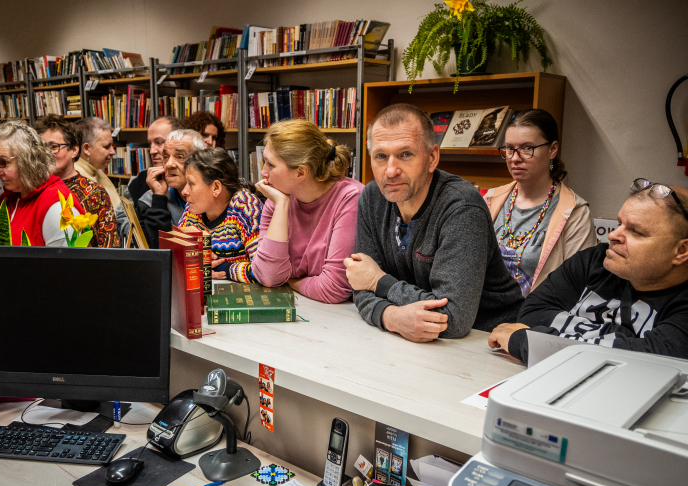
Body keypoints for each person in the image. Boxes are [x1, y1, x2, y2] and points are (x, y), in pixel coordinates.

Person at [345, 103, 524, 342]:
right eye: (381, 156)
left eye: (405, 154)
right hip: (414, 338)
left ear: (432, 158)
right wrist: (390, 317)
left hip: (488, 340)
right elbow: (360, 283)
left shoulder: (462, 206)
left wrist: (378, 281)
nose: (390, 171)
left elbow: (454, 318)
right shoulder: (372, 197)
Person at [488, 179, 688, 363]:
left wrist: (531, 342)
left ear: (681, 251)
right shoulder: (594, 260)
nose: (614, 235)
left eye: (636, 231)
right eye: (619, 224)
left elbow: (654, 362)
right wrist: (625, 341)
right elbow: (531, 314)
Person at [484, 109, 595, 295]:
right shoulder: (490, 200)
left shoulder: (575, 213)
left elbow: (578, 286)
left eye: (527, 148)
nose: (515, 158)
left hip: (538, 311)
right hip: (485, 308)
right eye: (510, 149)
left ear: (552, 149)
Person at [252, 119, 364, 303]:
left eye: (270, 164)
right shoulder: (278, 197)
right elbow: (268, 277)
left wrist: (289, 281)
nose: (263, 172)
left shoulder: (350, 198)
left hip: (339, 314)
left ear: (301, 172)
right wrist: (281, 205)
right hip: (304, 304)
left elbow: (333, 289)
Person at [0, 121, 82, 247]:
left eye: (2, 162)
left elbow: (66, 259)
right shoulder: (9, 198)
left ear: (27, 160)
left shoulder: (57, 206)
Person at [34, 115, 120, 248]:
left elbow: (110, 247)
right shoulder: (34, 189)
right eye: (41, 148)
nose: (46, 153)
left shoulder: (95, 193)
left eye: (53, 147)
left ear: (74, 150)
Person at [179, 148, 261, 282]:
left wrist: (221, 268)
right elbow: (178, 258)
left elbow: (264, 271)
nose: (184, 191)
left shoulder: (247, 207)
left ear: (216, 188)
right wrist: (196, 264)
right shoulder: (193, 210)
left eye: (191, 184)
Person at [119, 116, 183, 242]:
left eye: (159, 142)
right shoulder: (141, 179)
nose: (152, 150)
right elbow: (121, 217)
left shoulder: (192, 180)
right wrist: (139, 236)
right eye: (150, 143)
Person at [138, 129, 206, 246]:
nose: (169, 164)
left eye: (180, 157)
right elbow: (156, 250)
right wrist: (159, 198)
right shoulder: (149, 200)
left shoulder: (215, 196)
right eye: (165, 156)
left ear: (201, 161)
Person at [74, 117, 120, 207]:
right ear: (87, 149)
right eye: (106, 146)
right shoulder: (78, 180)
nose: (113, 152)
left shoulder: (96, 170)